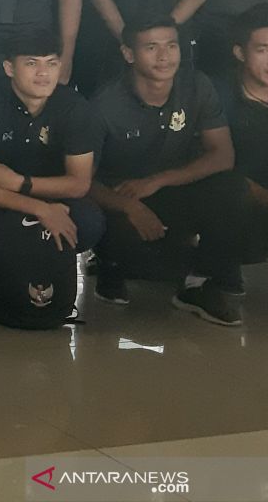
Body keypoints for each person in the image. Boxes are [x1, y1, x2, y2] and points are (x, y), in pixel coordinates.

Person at [89, 16, 251, 325]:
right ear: (128, 54)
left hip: (169, 191)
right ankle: (111, 265)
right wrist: (129, 206)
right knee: (146, 265)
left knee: (233, 189)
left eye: (171, 45)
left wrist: (157, 180)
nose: (165, 57)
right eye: (151, 47)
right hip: (121, 205)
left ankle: (198, 285)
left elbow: (223, 155)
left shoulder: (197, 85)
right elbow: (82, 182)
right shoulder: (104, 106)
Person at [0, 31, 104, 300]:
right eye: (32, 63)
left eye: (52, 63)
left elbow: (79, 183)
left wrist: (22, 184)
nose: (43, 73)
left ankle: (49, 261)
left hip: (47, 192)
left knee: (90, 222)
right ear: (9, 68)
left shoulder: (75, 107)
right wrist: (39, 208)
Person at [223, 4, 268, 272]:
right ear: (240, 53)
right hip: (235, 210)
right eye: (263, 49)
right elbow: (215, 172)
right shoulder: (216, 98)